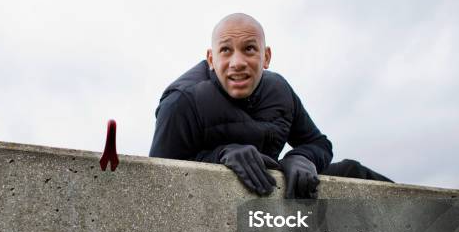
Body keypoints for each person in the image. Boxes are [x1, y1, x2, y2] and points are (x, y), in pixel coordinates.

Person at [149, 13, 392, 199]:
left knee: (352, 171)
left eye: (249, 49)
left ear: (266, 57)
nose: (238, 62)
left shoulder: (280, 91)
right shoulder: (181, 101)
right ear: (212, 59)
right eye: (226, 50)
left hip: (271, 199)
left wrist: (301, 158)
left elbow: (319, 144)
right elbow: (158, 182)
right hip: (207, 210)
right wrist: (220, 155)